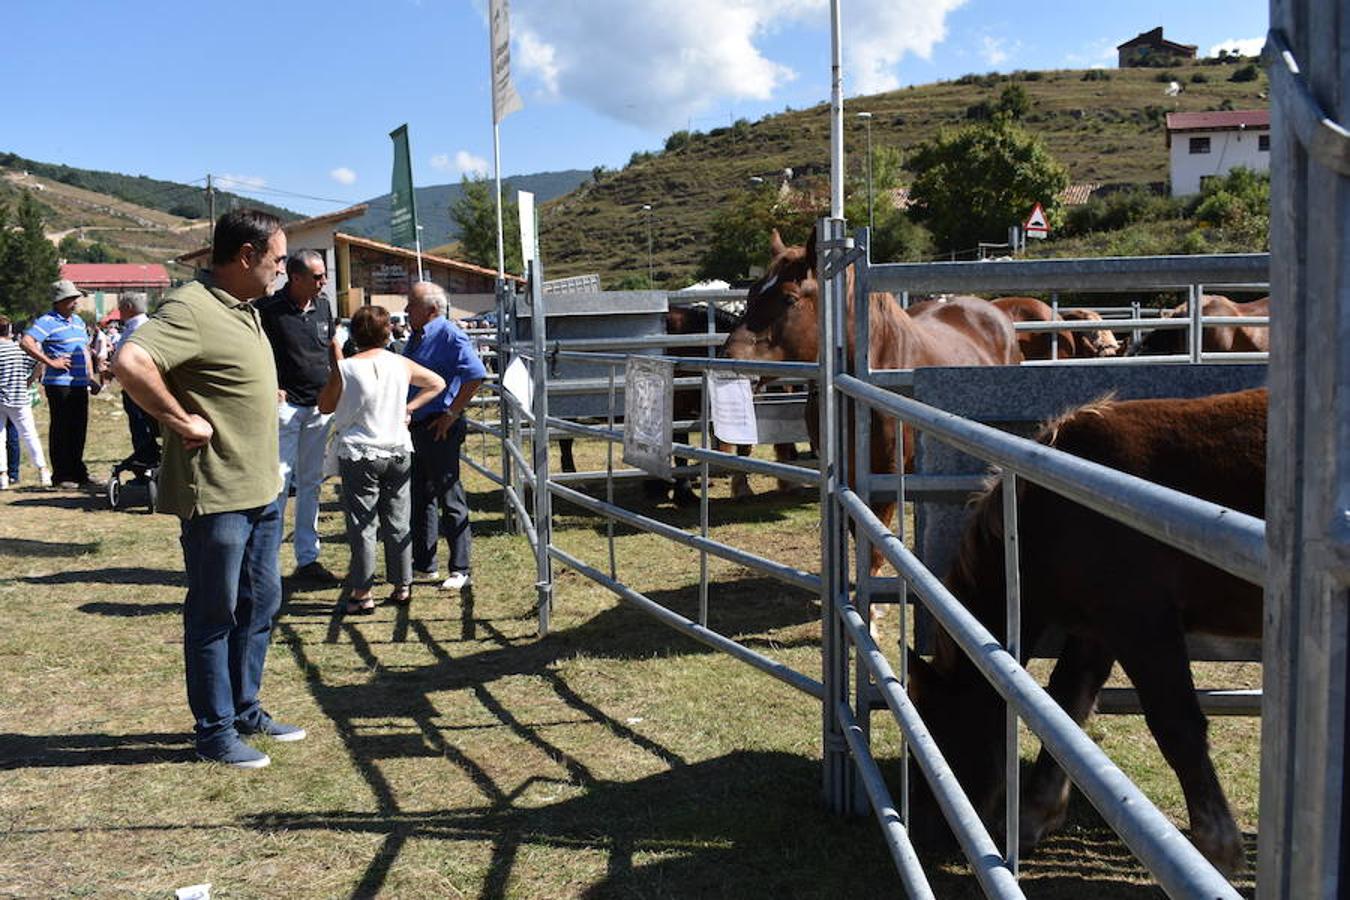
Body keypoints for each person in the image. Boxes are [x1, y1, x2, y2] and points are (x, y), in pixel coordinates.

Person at [114, 208, 302, 770]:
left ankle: (245, 707)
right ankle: (215, 731)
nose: (281, 269)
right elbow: (131, 360)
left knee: (260, 601)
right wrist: (179, 421)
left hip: (262, 486)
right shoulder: (191, 308)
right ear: (246, 256)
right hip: (218, 492)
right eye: (277, 259)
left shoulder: (244, 308)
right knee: (214, 612)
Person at [317, 305, 445, 614]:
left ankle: (363, 591)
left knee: (363, 524)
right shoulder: (400, 363)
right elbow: (437, 383)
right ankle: (402, 585)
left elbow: (324, 406)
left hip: (360, 450)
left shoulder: (346, 368)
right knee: (399, 519)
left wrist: (335, 362)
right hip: (398, 447)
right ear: (387, 332)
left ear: (355, 334)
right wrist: (409, 408)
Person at [258, 249, 340, 583]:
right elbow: (254, 352)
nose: (324, 282)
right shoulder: (268, 310)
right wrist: (271, 387)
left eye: (324, 276)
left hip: (319, 406)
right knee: (278, 481)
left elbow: (331, 343)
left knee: (311, 483)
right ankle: (266, 562)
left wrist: (339, 380)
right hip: (286, 408)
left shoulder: (323, 305)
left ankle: (308, 558)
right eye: (317, 277)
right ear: (295, 278)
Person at [402, 281, 486, 591]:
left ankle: (460, 567)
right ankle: (425, 563)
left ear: (431, 309)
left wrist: (451, 414)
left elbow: (475, 374)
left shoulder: (449, 334)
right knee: (421, 495)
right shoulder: (417, 336)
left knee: (449, 494)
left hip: (440, 426)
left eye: (412, 304)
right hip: (419, 426)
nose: (407, 309)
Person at [21, 280, 96, 488]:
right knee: (62, 429)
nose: (75, 302)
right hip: (59, 383)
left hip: (79, 383)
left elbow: (84, 350)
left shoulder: (78, 322)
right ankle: (62, 475)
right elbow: (26, 342)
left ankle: (78, 472)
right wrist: (50, 361)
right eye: (71, 299)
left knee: (78, 428)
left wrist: (90, 377)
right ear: (60, 301)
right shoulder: (47, 321)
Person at [0, 315, 51, 489]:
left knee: (0, 437)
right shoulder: (18, 349)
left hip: (0, 398)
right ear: (10, 329)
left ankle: (3, 476)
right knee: (30, 434)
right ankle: (43, 471)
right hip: (19, 397)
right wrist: (28, 381)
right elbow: (39, 363)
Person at [111, 293, 160, 470]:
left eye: (121, 307)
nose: (119, 311)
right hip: (138, 385)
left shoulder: (137, 327)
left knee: (141, 428)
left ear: (129, 307)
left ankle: (144, 464)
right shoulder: (141, 325)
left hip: (137, 388)